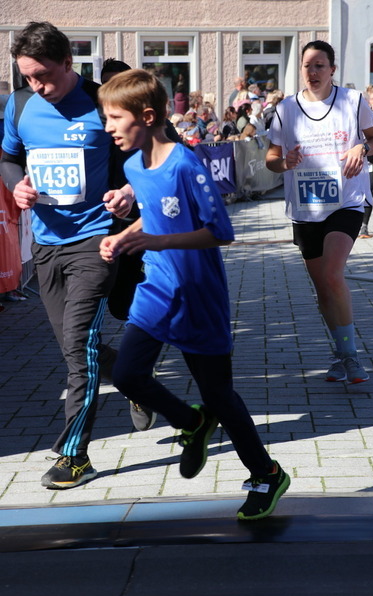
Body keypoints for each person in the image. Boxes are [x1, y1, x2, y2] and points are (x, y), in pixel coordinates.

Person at [97, 68, 290, 520]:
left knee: (219, 394)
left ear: (147, 117)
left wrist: (155, 240)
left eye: (114, 118)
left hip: (199, 295)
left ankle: (266, 474)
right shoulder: (132, 167)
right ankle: (191, 421)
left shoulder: (186, 164)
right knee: (126, 375)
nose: (107, 128)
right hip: (156, 289)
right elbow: (155, 215)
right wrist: (124, 236)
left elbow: (220, 231)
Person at [0, 21, 138, 489]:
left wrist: (129, 191)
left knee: (78, 347)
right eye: (27, 76)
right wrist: (16, 185)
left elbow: (145, 157)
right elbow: (8, 158)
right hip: (45, 244)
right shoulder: (20, 105)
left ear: (67, 62)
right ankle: (136, 379)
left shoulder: (103, 102)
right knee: (75, 347)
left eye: (44, 75)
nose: (37, 85)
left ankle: (74, 455)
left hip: (96, 241)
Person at [266, 40, 373, 384]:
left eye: (320, 65)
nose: (313, 72)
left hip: (346, 201)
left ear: (333, 69)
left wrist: (362, 148)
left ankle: (350, 356)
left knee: (333, 275)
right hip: (306, 208)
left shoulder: (352, 101)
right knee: (322, 289)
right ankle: (340, 352)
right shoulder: (286, 109)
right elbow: (271, 159)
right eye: (308, 65)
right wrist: (283, 162)